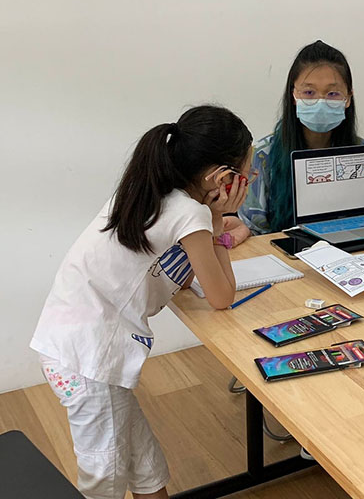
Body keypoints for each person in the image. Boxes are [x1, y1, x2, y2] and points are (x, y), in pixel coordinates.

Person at [30, 105, 255, 499]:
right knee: (106, 480)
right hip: (90, 360)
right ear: (222, 177)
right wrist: (222, 219)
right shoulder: (191, 213)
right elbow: (221, 297)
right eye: (247, 172)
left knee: (146, 467)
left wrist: (211, 222)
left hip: (70, 344)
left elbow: (183, 280)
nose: (250, 179)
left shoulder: (151, 191)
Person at [224, 40, 364, 264]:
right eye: (309, 92)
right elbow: (255, 232)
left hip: (353, 259)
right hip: (289, 263)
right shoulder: (262, 157)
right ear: (294, 94)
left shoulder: (359, 151)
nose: (320, 102)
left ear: (348, 98)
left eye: (332, 93)